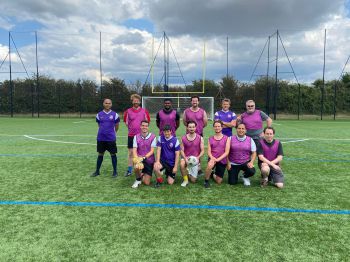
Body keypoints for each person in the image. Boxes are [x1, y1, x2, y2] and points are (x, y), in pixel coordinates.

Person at [91, 98, 120, 177]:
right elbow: (99, 125)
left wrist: (112, 133)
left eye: (109, 103)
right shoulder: (99, 114)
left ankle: (115, 172)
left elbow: (117, 126)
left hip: (111, 139)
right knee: (100, 154)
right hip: (101, 138)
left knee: (113, 154)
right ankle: (97, 171)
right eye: (106, 103)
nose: (108, 104)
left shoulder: (115, 114)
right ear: (103, 104)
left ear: (111, 104)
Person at [123, 94, 150, 177]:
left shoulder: (144, 111)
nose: (136, 102)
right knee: (131, 153)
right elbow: (126, 122)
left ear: (140, 102)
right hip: (131, 135)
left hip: (141, 136)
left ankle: (144, 168)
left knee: (142, 152)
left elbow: (147, 121)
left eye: (137, 100)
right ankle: (130, 170)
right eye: (134, 100)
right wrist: (132, 129)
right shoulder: (128, 111)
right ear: (132, 101)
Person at [204, 120, 230, 188]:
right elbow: (209, 151)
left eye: (218, 126)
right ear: (213, 127)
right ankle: (206, 181)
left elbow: (227, 152)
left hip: (222, 160)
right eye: (215, 126)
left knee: (219, 181)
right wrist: (212, 158)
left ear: (222, 127)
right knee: (210, 165)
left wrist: (218, 159)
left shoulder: (226, 138)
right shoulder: (210, 138)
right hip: (213, 158)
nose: (217, 128)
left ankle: (212, 174)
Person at [131, 120, 157, 188]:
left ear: (148, 127)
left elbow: (152, 151)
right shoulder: (136, 137)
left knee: (147, 183)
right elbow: (134, 150)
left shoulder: (153, 136)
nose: (144, 127)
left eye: (146, 126)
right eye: (143, 125)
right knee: (136, 165)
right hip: (140, 159)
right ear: (140, 126)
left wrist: (143, 158)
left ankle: (142, 174)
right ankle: (138, 179)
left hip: (149, 160)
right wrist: (137, 159)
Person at [180, 121, 204, 187]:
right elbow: (181, 150)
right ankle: (185, 180)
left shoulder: (200, 138)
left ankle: (188, 171)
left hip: (195, 160)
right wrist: (185, 158)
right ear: (187, 128)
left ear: (195, 128)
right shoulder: (183, 138)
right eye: (190, 127)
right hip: (186, 158)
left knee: (193, 181)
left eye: (193, 127)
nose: (191, 128)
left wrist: (198, 158)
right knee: (182, 164)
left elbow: (202, 151)